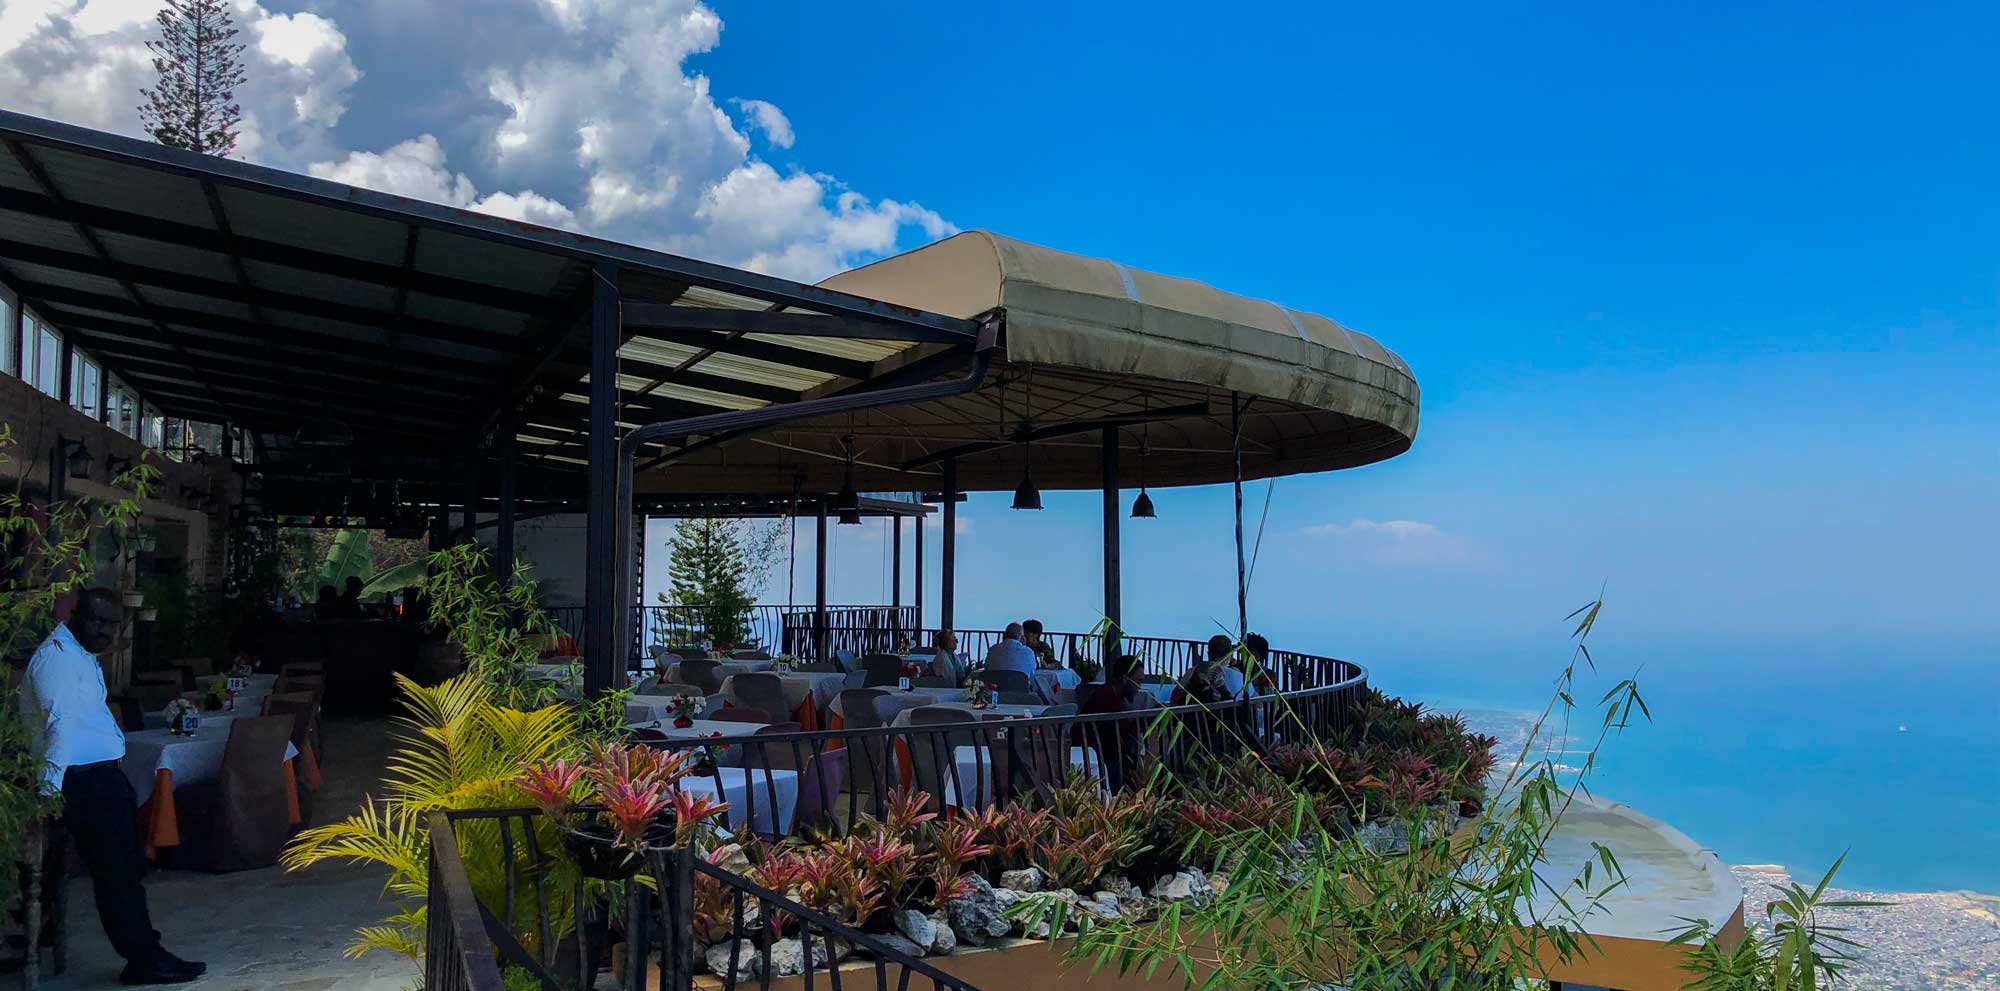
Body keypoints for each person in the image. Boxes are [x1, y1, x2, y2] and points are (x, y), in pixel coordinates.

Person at [26, 588, 207, 985]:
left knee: (124, 869)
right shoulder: (57, 659)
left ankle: (144, 953)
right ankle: (144, 958)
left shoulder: (81, 656)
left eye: (111, 625)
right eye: (96, 620)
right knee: (117, 873)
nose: (104, 631)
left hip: (100, 776)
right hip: (82, 780)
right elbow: (60, 729)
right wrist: (49, 792)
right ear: (76, 614)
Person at [1077, 653, 1153, 790]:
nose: (1139, 687)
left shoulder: (1109, 694)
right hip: (1096, 754)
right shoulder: (1108, 697)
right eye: (1138, 681)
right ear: (1125, 679)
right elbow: (1125, 731)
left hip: (1099, 751)